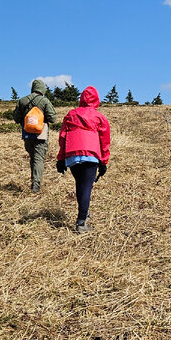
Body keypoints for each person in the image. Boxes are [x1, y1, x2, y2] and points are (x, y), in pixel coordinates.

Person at [56, 86, 111, 233]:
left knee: (80, 185)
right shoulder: (99, 117)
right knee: (86, 187)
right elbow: (104, 141)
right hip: (91, 155)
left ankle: (83, 214)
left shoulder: (71, 114)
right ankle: (81, 223)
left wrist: (61, 159)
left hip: (72, 154)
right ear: (97, 99)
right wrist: (104, 161)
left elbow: (62, 137)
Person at [12, 79, 57, 193]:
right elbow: (53, 119)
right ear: (42, 89)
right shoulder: (45, 101)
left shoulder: (22, 101)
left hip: (27, 134)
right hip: (41, 135)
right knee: (38, 159)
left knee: (33, 158)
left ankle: (34, 181)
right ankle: (36, 186)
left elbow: (16, 118)